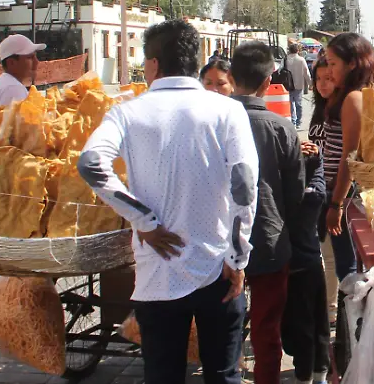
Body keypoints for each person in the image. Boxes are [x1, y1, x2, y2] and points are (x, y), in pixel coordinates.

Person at [79, 20, 258, 384]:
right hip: (218, 268)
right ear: (196, 61)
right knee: (224, 375)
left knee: (162, 376)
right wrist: (238, 259)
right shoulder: (227, 110)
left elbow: (90, 163)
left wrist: (143, 221)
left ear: (154, 63)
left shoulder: (127, 112)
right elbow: (245, 186)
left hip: (158, 273)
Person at [229, 41, 305, 384]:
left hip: (220, 244)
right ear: (268, 80)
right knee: (266, 330)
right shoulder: (282, 129)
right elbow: (295, 194)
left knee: (221, 328)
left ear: (230, 77)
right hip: (270, 241)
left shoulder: (214, 125)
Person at [283, 58, 335, 384]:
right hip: (319, 198)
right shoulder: (319, 112)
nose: (324, 84)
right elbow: (319, 150)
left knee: (327, 270)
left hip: (333, 202)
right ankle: (322, 349)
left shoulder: (345, 111)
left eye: (330, 78)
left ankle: (325, 342)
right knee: (321, 269)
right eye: (319, 79)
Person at [323, 33, 374, 281]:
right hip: (337, 191)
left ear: (353, 63)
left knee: (349, 269)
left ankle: (355, 317)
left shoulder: (353, 99)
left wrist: (337, 204)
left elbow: (350, 156)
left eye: (334, 63)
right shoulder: (344, 94)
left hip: (345, 195)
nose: (329, 69)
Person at [0, 35, 44, 109]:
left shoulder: (6, 83)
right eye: (30, 57)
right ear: (11, 63)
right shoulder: (13, 88)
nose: (37, 62)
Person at [284, 43, 313, 130]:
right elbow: (306, 73)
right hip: (299, 84)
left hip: (287, 85)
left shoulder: (285, 59)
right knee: (298, 104)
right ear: (298, 50)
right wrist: (310, 83)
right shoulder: (301, 60)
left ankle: (293, 121)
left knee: (291, 104)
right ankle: (298, 122)